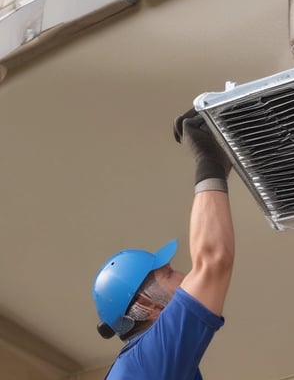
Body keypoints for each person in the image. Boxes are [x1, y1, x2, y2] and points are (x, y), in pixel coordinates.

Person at [91, 110, 235, 379]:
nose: (183, 276)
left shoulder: (146, 366)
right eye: (168, 274)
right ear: (146, 305)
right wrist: (209, 161)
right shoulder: (147, 361)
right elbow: (213, 260)